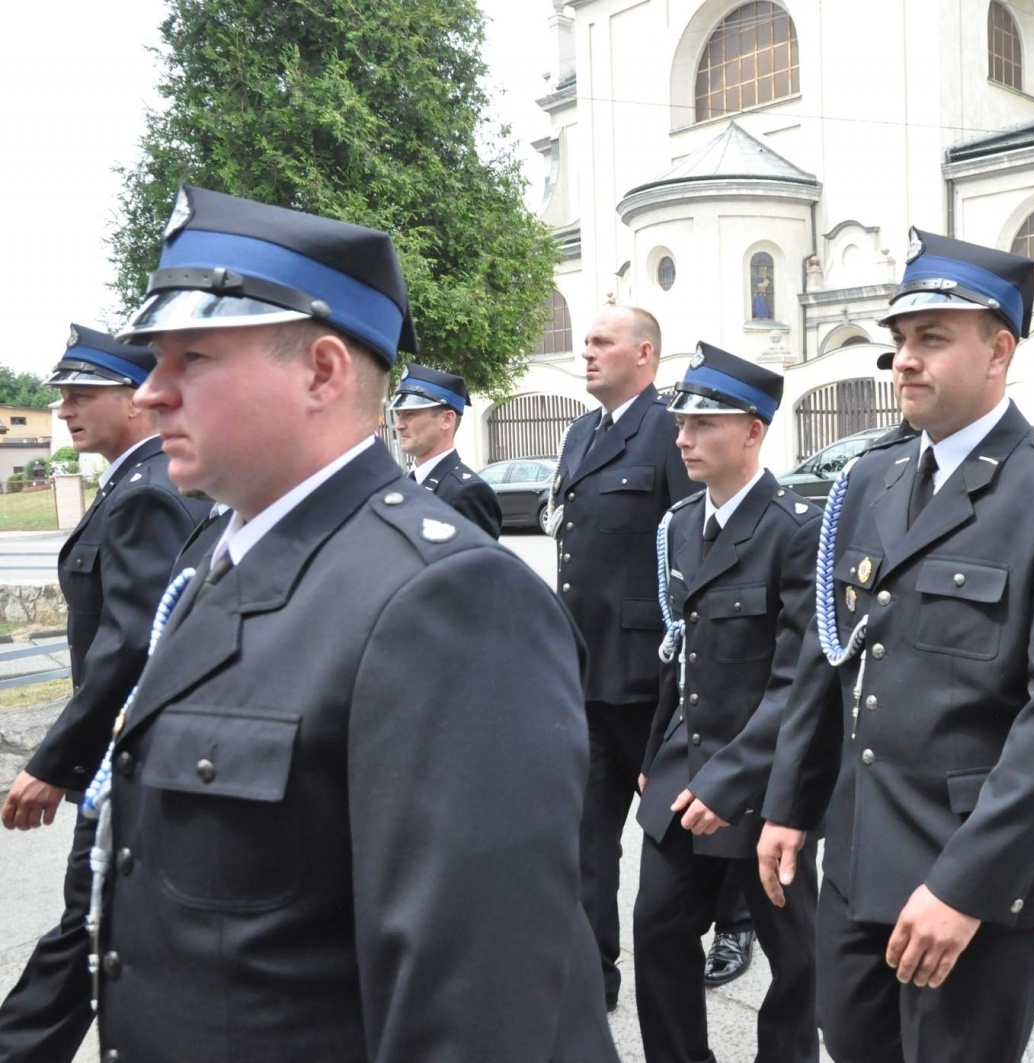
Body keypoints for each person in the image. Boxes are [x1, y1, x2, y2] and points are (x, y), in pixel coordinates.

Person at [93, 185, 617, 1061]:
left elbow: (478, 1016)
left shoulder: (445, 601)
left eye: (191, 358)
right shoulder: (214, 559)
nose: (149, 393)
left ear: (323, 371)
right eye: (155, 359)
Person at [756, 229, 1034, 1063]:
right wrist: (791, 801)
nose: (905, 361)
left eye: (932, 338)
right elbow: (831, 658)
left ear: (999, 350)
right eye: (900, 341)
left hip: (983, 871)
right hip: (861, 852)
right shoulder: (870, 480)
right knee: (853, 1045)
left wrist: (967, 885)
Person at [0, 327, 210, 1063]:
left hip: (130, 755)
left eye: (81, 393)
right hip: (129, 755)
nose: (62, 409)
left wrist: (55, 762)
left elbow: (131, 647)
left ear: (134, 397)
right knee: (105, 927)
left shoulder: (147, 493)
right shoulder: (134, 482)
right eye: (59, 395)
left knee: (87, 926)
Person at [633, 343, 822, 1063]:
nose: (683, 438)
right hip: (686, 766)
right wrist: (657, 750)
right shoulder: (681, 523)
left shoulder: (797, 528)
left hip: (768, 780)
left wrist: (730, 779)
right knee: (656, 927)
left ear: (752, 430)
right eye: (681, 423)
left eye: (703, 424)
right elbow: (679, 649)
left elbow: (799, 677)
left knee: (796, 952)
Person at [554, 305, 697, 1009]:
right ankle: (591, 977)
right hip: (586, 675)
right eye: (585, 342)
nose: (586, 353)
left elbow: (694, 550)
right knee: (585, 843)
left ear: (644, 353)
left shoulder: (671, 429)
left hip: (651, 679)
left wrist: (686, 674)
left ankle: (731, 923)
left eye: (601, 342)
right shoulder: (583, 431)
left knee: (684, 837)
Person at [388, 363, 501, 538]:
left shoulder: (468, 493)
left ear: (447, 420)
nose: (399, 425)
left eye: (410, 414)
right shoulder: (403, 483)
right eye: (399, 415)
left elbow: (477, 564)